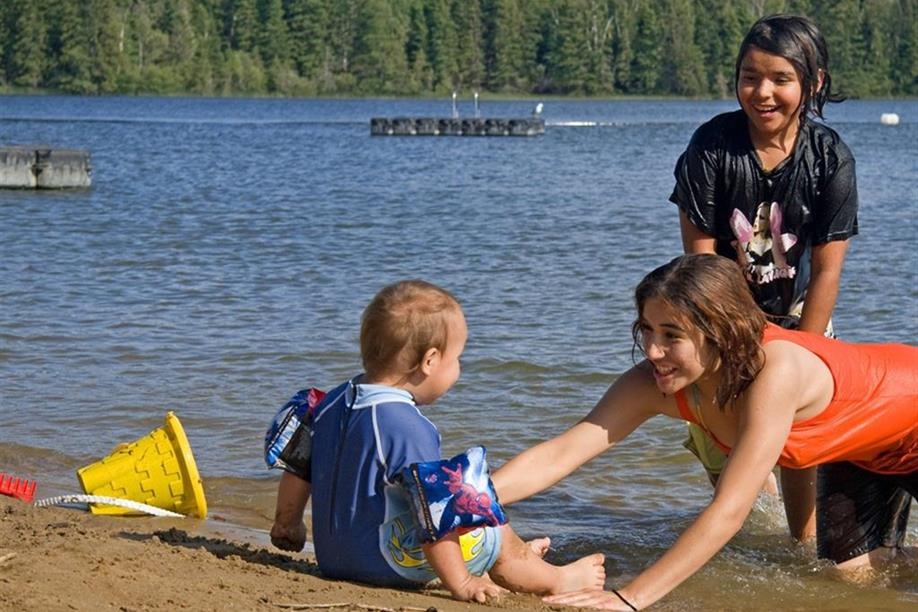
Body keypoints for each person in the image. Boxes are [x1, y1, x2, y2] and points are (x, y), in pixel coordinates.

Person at [492, 254, 916, 611]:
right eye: (646, 330)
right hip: (864, 450)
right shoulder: (657, 381)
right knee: (855, 578)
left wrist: (630, 597)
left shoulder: (776, 372)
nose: (653, 351)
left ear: (721, 332)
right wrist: (462, 497)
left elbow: (729, 510)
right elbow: (562, 452)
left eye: (671, 335)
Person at [268, 279, 605, 603]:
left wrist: (288, 523)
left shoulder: (330, 404)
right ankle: (554, 579)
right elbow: (433, 515)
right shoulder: (407, 427)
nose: (458, 367)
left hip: (334, 559)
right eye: (457, 358)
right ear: (429, 361)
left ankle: (510, 566)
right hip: (384, 564)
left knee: (461, 527)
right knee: (485, 518)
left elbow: (300, 469)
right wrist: (462, 583)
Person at [669, 13, 859, 541]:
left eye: (780, 78)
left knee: (800, 440)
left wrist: (803, 352)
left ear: (813, 82)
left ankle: (802, 542)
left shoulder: (828, 158)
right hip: (718, 310)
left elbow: (825, 270)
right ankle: (741, 532)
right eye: (750, 76)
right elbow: (701, 264)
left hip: (801, 314)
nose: (763, 92)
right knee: (723, 444)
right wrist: (731, 342)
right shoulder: (711, 148)